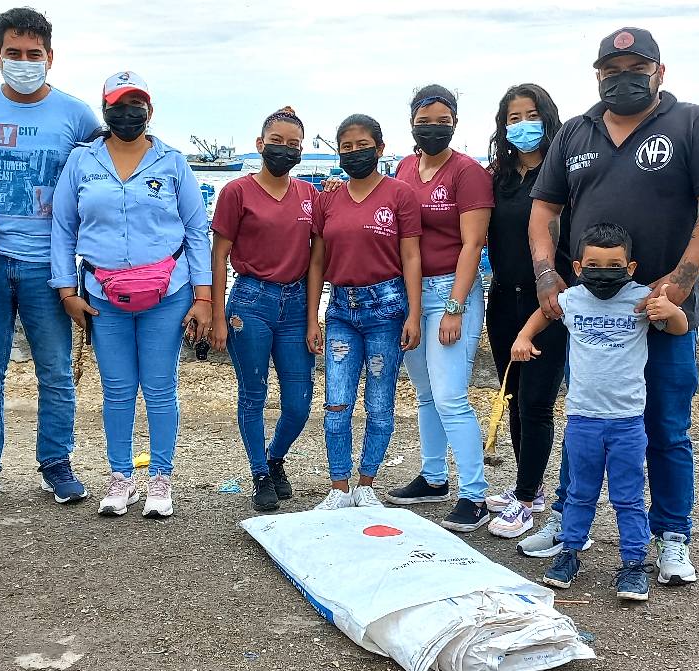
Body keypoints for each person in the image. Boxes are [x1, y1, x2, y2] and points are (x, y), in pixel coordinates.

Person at [523, 27, 699, 586]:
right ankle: (570, 524)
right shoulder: (575, 133)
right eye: (611, 71)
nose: (623, 79)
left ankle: (672, 535)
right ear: (597, 76)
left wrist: (682, 281)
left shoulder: (694, 124)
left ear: (659, 72)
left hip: (659, 311)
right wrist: (546, 273)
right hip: (593, 310)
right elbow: (544, 211)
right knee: (585, 419)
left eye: (636, 68)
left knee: (666, 427)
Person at [0, 8, 101, 511]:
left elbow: (103, 170)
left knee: (55, 372)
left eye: (33, 54)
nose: (23, 61)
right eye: (13, 53)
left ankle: (56, 463)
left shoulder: (77, 115)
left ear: (50, 57)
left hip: (49, 267)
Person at [50, 71, 213, 519]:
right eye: (118, 106)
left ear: (149, 110)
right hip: (103, 296)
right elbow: (63, 228)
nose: (128, 113)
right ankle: (121, 476)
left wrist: (203, 298)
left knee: (160, 389)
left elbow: (197, 230)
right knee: (117, 391)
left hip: (168, 293)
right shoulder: (81, 161)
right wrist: (66, 291)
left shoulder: (172, 162)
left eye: (136, 105)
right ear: (105, 110)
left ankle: (161, 478)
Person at [511, 222, 690, 602]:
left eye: (614, 266)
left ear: (630, 267)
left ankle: (633, 563)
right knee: (579, 493)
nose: (603, 272)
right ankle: (570, 552)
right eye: (593, 265)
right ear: (578, 267)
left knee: (628, 497)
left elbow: (679, 328)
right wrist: (524, 336)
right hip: (582, 419)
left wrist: (671, 311)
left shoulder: (641, 298)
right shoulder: (573, 298)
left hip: (628, 422)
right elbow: (545, 313)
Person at [377, 86, 495, 533]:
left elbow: (473, 244)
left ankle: (475, 494)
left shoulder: (468, 173)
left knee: (450, 396)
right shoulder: (405, 167)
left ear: (455, 123)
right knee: (425, 393)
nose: (433, 128)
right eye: (424, 120)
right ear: (411, 122)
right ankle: (433, 477)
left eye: (442, 120)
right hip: (411, 291)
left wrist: (454, 307)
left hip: (450, 290)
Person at [306, 114, 424, 511]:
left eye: (362, 145)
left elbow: (411, 256)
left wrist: (413, 313)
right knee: (337, 402)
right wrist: (313, 317)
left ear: (380, 148)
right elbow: (317, 261)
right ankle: (339, 487)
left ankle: (366, 484)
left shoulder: (399, 194)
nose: (354, 153)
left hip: (387, 309)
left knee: (379, 402)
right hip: (341, 309)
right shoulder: (327, 199)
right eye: (347, 147)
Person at [209, 106, 316, 512]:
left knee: (298, 403)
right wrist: (217, 316)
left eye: (293, 144)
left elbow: (318, 256)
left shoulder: (309, 195)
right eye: (276, 142)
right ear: (259, 144)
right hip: (250, 302)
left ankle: (275, 458)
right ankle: (258, 473)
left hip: (296, 304)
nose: (284, 149)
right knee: (253, 393)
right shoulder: (236, 192)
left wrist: (313, 317)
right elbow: (219, 256)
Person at [479, 83, 567, 540]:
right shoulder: (499, 177)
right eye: (513, 118)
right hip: (502, 298)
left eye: (531, 115)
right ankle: (525, 487)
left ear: (547, 118)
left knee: (536, 404)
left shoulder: (563, 176)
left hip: (548, 300)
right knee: (511, 397)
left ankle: (528, 499)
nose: (522, 125)